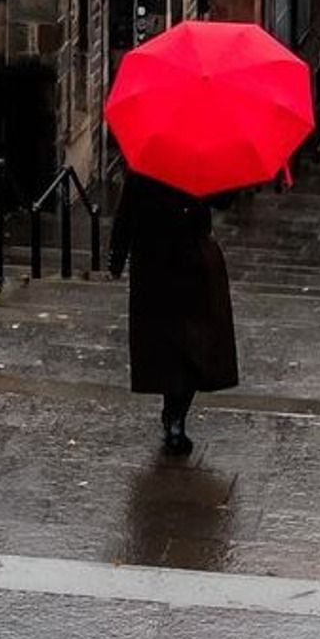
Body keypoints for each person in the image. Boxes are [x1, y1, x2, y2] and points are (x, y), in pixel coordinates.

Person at [108, 168, 238, 454]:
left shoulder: (204, 157)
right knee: (172, 341)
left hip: (191, 258)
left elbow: (225, 200)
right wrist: (117, 253)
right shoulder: (148, 162)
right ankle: (175, 416)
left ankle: (176, 413)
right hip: (157, 259)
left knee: (195, 341)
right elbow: (129, 205)